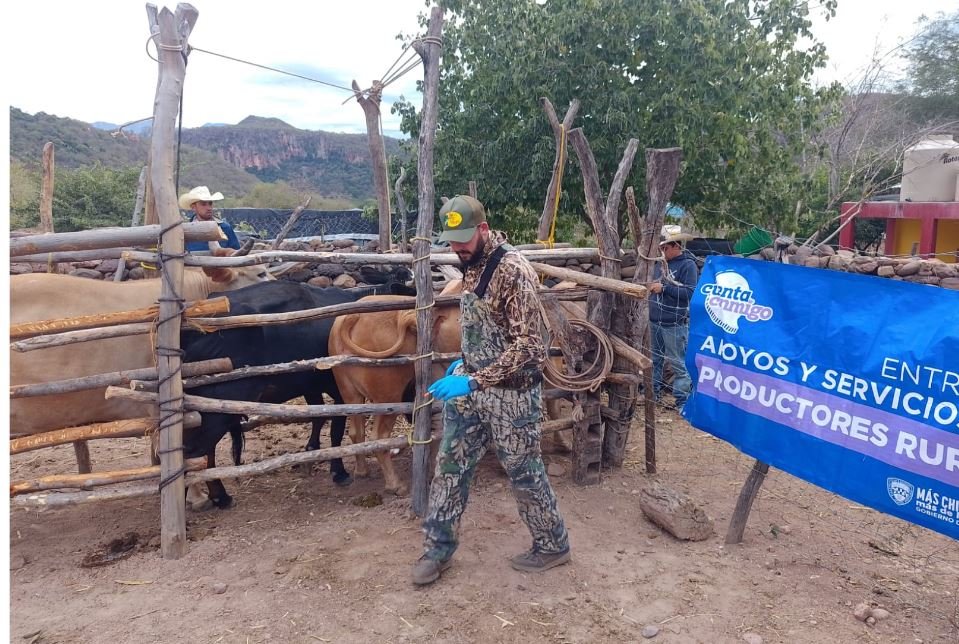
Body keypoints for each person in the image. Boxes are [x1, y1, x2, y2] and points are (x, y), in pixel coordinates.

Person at [411, 195, 570, 586]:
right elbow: (486, 330)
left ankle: (552, 544)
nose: (458, 248)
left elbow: (530, 345)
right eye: (452, 241)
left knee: (524, 472)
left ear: (483, 229)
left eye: (465, 239)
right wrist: (465, 362)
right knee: (449, 467)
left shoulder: (513, 270)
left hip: (511, 397)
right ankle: (437, 549)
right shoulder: (471, 265)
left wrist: (476, 378)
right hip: (472, 390)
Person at [649, 224, 698, 407]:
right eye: (661, 248)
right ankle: (653, 394)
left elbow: (690, 293)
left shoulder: (688, 265)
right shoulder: (659, 264)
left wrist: (664, 289)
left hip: (674, 323)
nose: (662, 251)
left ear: (676, 246)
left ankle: (682, 401)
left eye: (665, 248)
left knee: (677, 363)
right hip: (655, 320)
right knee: (655, 360)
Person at [178, 186, 241, 252]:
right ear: (193, 207)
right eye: (203, 204)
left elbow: (237, 253)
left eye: (210, 203)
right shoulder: (186, 232)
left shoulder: (225, 228)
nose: (209, 208)